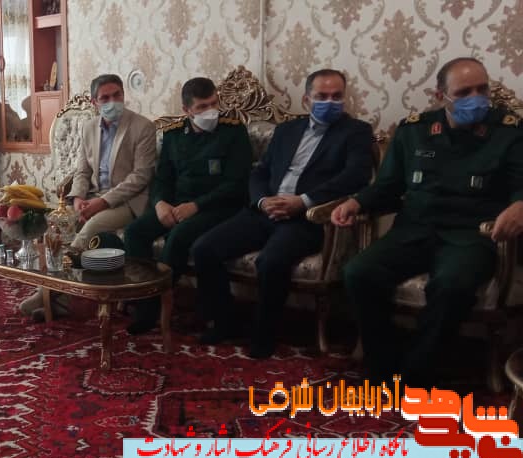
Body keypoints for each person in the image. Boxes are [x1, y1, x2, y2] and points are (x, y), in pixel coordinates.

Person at [333, 57, 523, 385]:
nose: (476, 98)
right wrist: (356, 202)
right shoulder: (414, 130)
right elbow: (388, 186)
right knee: (358, 272)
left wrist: (520, 204)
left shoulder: (509, 132)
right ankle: (382, 363)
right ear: (440, 96)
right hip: (414, 230)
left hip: (471, 236)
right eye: (464, 92)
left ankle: (415, 375)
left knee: (450, 286)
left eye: (482, 90)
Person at [191, 68, 373, 358]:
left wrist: (303, 201)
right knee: (204, 248)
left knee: (271, 261)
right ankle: (225, 322)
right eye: (322, 96)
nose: (330, 102)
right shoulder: (287, 130)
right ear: (307, 100)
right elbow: (260, 171)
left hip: (308, 218)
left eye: (336, 96)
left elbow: (355, 177)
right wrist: (262, 201)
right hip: (265, 210)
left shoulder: (357, 132)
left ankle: (263, 335)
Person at [18, 73, 157, 318]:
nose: (112, 101)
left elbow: (141, 176)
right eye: (105, 98)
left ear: (123, 95)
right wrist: (78, 199)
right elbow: (82, 171)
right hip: (92, 197)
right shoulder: (89, 127)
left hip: (127, 201)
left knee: (89, 229)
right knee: (59, 227)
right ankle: (60, 302)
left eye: (117, 95)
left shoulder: (142, 127)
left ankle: (47, 293)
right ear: (94, 102)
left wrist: (102, 202)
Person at [123, 78, 253, 335]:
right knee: (135, 232)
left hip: (217, 207)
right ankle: (142, 302)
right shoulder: (173, 134)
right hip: (176, 205)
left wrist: (196, 205)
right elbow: (163, 178)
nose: (211, 111)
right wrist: (160, 203)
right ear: (186, 110)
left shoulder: (233, 131)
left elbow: (236, 184)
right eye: (202, 107)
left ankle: (156, 306)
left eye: (214, 103)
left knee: (179, 237)